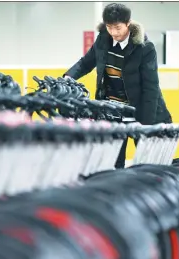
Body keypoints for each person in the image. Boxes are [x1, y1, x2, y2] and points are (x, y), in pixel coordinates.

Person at [64, 3, 172, 168]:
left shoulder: (144, 48)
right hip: (112, 112)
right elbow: (86, 63)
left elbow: (151, 88)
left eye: (117, 28)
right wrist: (67, 78)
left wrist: (147, 126)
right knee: (113, 163)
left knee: (148, 164)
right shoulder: (103, 40)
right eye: (109, 27)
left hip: (139, 110)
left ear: (128, 23)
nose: (113, 33)